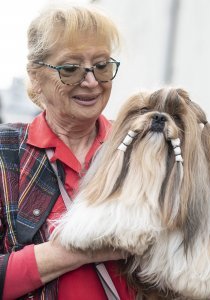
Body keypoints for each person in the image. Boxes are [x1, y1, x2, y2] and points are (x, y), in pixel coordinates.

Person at [0, 3, 136, 299]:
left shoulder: (137, 147)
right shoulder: (6, 151)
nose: (90, 82)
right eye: (70, 69)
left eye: (102, 66)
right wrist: (75, 250)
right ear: (36, 77)